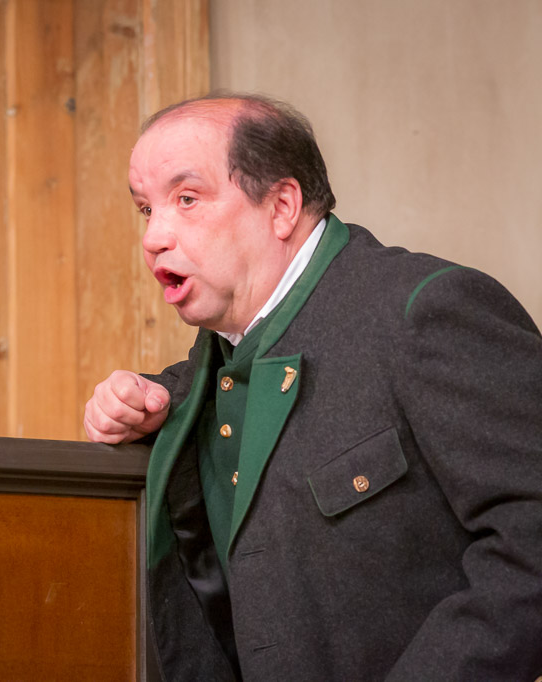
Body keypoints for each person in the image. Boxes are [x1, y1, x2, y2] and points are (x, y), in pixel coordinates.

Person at [83, 93, 542, 680]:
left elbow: (531, 544)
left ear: (281, 207)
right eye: (146, 209)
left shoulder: (429, 310)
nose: (153, 237)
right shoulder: (212, 361)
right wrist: (133, 404)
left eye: (187, 199)